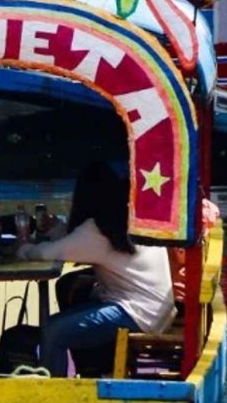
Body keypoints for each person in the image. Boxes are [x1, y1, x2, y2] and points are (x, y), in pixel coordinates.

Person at [17, 162, 175, 378]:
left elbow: (45, 254)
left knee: (52, 333)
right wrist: (59, 229)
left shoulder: (97, 231)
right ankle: (92, 370)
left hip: (138, 312)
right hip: (155, 307)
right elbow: (73, 240)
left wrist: (23, 248)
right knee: (66, 294)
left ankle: (54, 395)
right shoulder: (128, 217)